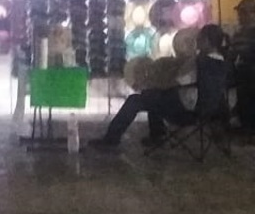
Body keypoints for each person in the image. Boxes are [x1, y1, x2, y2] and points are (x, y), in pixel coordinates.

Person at [89, 23, 228, 149]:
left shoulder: (198, 64)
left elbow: (176, 83)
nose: (196, 43)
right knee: (153, 96)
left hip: (186, 112)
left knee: (136, 100)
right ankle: (157, 134)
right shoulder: (224, 64)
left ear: (207, 41)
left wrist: (149, 84)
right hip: (209, 113)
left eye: (199, 39)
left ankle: (111, 139)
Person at [230, 0, 255, 130]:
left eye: (244, 13)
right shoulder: (238, 34)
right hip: (242, 73)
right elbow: (233, 52)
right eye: (240, 13)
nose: (240, 16)